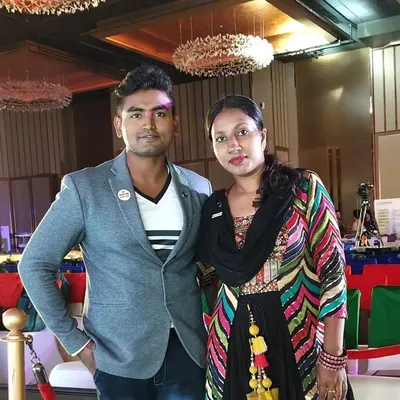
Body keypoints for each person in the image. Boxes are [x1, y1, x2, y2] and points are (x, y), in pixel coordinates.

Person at [18, 65, 212, 400]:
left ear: (175, 124)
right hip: (117, 357)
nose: (148, 124)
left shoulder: (198, 187)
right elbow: (34, 264)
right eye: (136, 114)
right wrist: (76, 344)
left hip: (188, 351)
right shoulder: (85, 188)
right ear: (119, 125)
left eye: (159, 113)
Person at [197, 95, 354, 400]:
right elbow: (202, 279)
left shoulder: (303, 188)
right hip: (232, 343)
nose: (233, 145)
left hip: (301, 335)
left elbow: (333, 272)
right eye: (221, 138)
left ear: (263, 136)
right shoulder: (213, 208)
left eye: (242, 132)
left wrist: (332, 356)